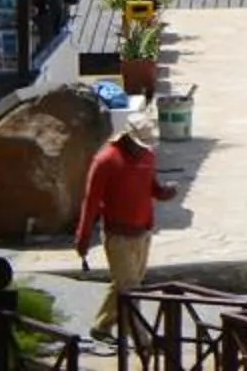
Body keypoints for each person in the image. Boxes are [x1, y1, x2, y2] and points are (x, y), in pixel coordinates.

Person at [76, 108, 178, 338]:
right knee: (131, 288)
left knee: (126, 283)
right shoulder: (105, 161)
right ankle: (142, 337)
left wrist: (164, 192)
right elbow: (90, 202)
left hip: (142, 231)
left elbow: (151, 186)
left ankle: (101, 326)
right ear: (127, 136)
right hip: (117, 235)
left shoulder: (148, 156)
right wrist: (82, 238)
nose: (144, 148)